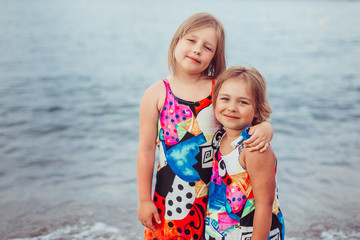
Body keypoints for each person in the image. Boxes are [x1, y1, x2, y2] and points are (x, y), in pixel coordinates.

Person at [137, 13, 273, 240]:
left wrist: (266, 127)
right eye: (191, 40)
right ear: (176, 41)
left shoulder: (219, 88)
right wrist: (143, 199)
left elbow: (248, 118)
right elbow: (146, 150)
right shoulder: (156, 93)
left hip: (215, 201)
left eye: (207, 47)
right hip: (170, 198)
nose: (197, 49)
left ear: (214, 57)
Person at [204, 66, 285, 240]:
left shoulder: (253, 149)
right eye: (225, 99)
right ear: (215, 101)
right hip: (222, 231)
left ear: (257, 109)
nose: (231, 108)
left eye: (243, 102)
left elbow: (265, 205)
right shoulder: (219, 137)